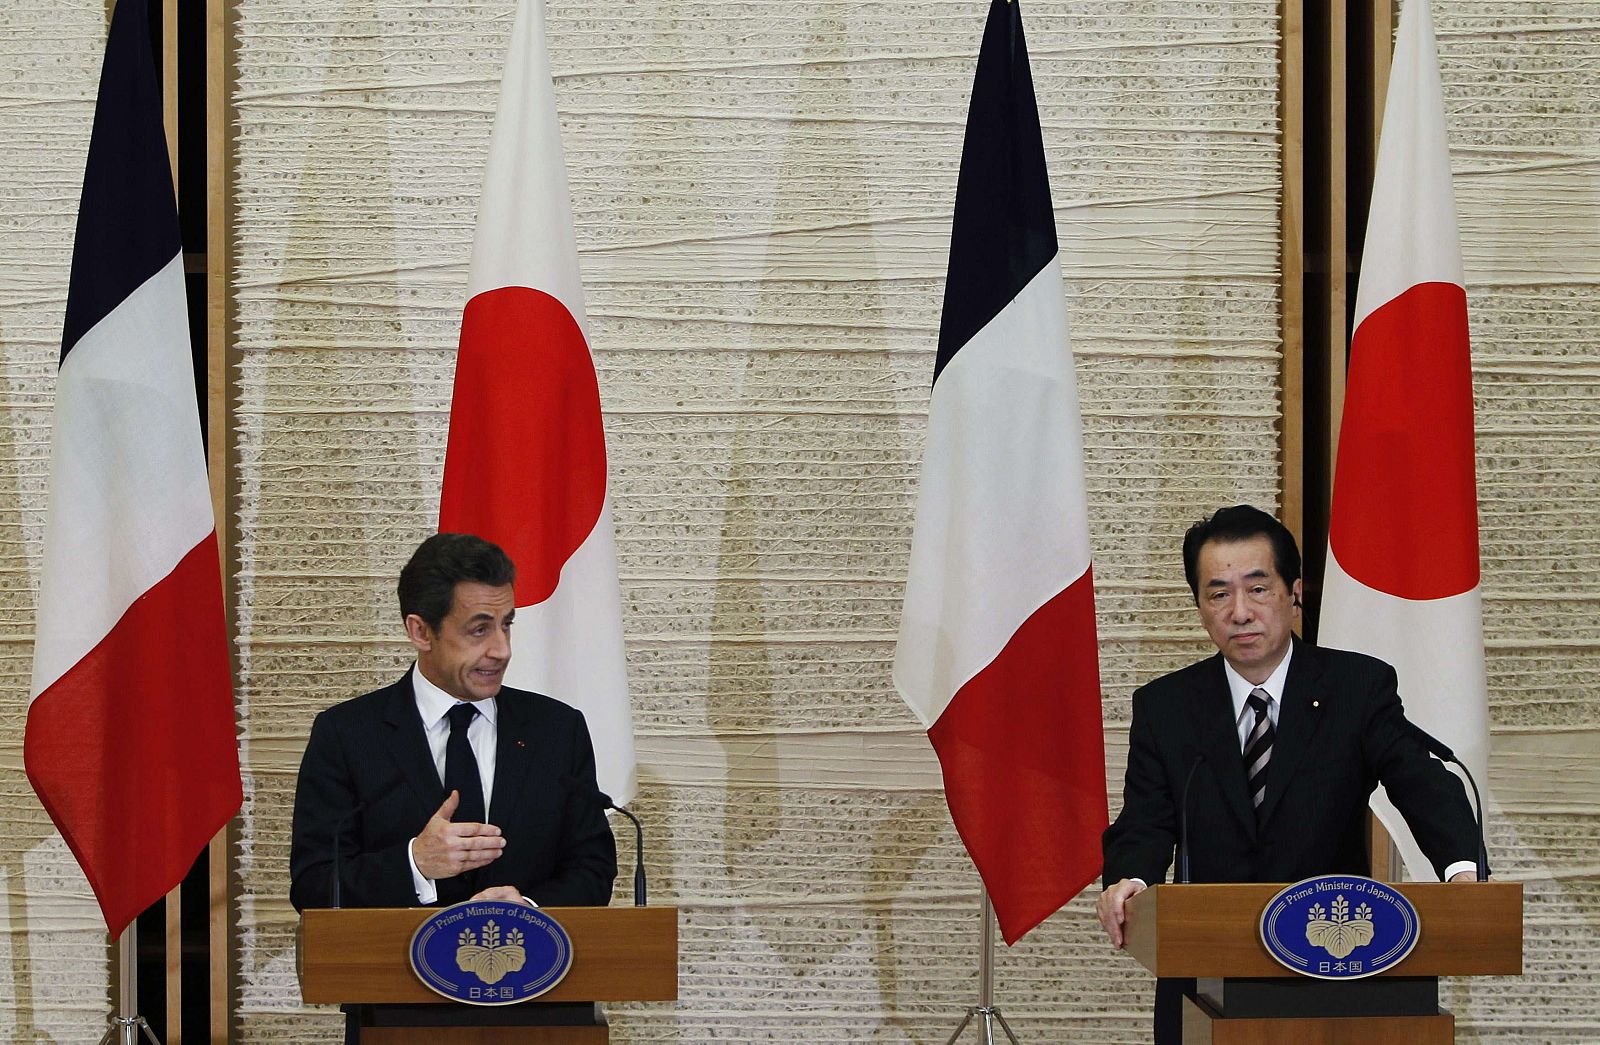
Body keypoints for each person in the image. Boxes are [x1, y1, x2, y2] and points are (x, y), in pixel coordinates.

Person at [1097, 505, 1481, 1044]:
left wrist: (1461, 869)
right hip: (1204, 974)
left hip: (1335, 961)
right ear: (1201, 610)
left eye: (1258, 588)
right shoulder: (1167, 708)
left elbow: (1420, 780)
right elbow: (1146, 820)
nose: (1240, 611)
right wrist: (1130, 880)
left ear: (1293, 594)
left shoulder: (1356, 687)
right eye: (1218, 594)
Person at [289, 532, 617, 913]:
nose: (502, 650)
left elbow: (593, 867)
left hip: (531, 965)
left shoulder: (557, 729)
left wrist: (528, 909)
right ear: (421, 631)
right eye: (479, 629)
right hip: (395, 968)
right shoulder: (347, 735)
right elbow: (314, 885)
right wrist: (415, 863)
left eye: (506, 624)